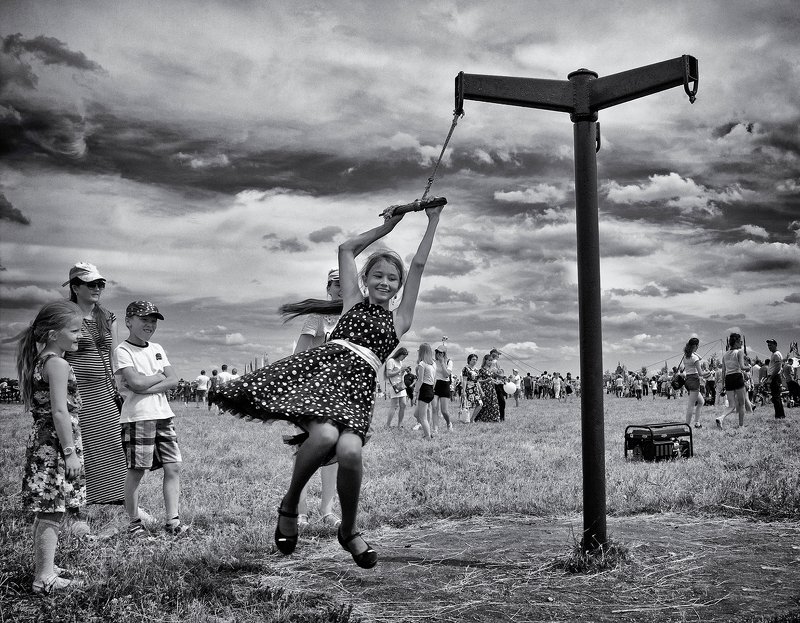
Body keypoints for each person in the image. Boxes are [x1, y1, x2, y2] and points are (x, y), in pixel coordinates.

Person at [211, 203, 444, 568]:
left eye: (391, 279)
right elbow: (346, 249)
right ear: (365, 280)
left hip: (357, 391)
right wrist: (388, 227)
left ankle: (348, 530)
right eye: (377, 275)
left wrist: (433, 221)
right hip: (324, 376)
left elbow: (418, 265)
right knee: (322, 437)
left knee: (350, 452)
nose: (384, 282)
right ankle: (290, 506)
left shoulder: (401, 319)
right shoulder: (351, 302)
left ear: (399, 287)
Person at [18, 301, 86, 594]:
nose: (80, 335)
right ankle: (43, 577)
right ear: (53, 333)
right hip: (56, 447)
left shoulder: (42, 360)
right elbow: (60, 411)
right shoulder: (57, 363)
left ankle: (46, 565)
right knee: (52, 509)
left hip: (45, 443)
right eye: (75, 330)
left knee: (48, 508)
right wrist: (70, 452)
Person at [114, 301, 186, 537]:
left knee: (173, 466)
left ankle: (173, 520)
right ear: (128, 321)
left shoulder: (157, 348)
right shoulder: (123, 351)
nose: (150, 325)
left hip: (163, 415)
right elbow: (135, 383)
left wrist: (146, 384)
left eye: (153, 321)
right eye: (144, 319)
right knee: (137, 470)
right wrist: (158, 376)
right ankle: (134, 522)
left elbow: (173, 379)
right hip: (138, 417)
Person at [62, 263, 127, 513]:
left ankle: (121, 500)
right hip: (77, 393)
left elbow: (114, 355)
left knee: (112, 444)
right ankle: (75, 507)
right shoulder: (64, 315)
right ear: (75, 287)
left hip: (105, 392)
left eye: (101, 284)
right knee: (81, 447)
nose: (98, 288)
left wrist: (120, 386)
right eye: (91, 284)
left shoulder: (107, 316)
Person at [291, 268, 343, 531]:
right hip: (312, 393)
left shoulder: (352, 315)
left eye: (346, 282)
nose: (341, 288)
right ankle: (300, 511)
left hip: (339, 393)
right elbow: (300, 354)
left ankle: (327, 510)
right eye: (336, 283)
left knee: (333, 453)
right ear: (328, 287)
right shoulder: (317, 316)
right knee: (306, 451)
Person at [717, 333, 750, 429]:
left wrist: (723, 384)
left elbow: (723, 371)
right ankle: (741, 425)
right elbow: (742, 367)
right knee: (742, 403)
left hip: (728, 378)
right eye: (740, 341)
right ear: (736, 342)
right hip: (737, 377)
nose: (741, 343)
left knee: (731, 405)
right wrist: (748, 367)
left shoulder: (725, 355)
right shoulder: (739, 352)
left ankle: (721, 417)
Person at [412, 343, 436, 438]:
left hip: (424, 389)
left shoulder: (422, 364)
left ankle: (427, 436)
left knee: (422, 417)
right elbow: (435, 379)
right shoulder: (433, 364)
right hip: (430, 389)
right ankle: (428, 431)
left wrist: (415, 392)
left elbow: (420, 380)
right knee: (416, 414)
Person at [681, 338, 704, 427]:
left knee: (701, 402)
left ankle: (697, 422)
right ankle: (687, 426)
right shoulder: (694, 357)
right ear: (695, 346)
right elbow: (701, 373)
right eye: (697, 346)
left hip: (688, 380)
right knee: (691, 405)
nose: (698, 347)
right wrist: (708, 373)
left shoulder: (686, 356)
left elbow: (700, 358)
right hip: (694, 379)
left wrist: (693, 351)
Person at [385, 346, 409, 428]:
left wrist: (402, 372)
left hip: (400, 385)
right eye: (403, 356)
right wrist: (399, 370)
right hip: (394, 385)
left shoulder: (400, 362)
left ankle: (400, 424)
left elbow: (399, 375)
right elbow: (388, 374)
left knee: (403, 404)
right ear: (399, 354)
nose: (404, 358)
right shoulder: (391, 361)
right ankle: (387, 425)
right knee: (394, 406)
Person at [473, 353, 500, 422]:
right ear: (485, 360)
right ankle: (482, 418)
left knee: (493, 403)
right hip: (484, 389)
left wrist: (496, 382)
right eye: (489, 360)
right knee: (485, 404)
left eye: (491, 360)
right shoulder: (481, 370)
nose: (490, 362)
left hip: (491, 388)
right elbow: (477, 381)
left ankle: (493, 418)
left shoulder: (491, 370)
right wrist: (486, 380)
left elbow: (491, 379)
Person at [432, 345, 453, 431]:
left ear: (444, 354)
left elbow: (446, 375)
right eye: (437, 352)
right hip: (435, 384)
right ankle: (435, 429)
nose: (439, 354)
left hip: (444, 384)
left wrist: (442, 363)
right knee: (434, 408)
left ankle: (448, 423)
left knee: (444, 411)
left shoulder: (449, 362)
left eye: (441, 353)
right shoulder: (433, 362)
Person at [765, 338, 786, 419]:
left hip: (775, 377)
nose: (769, 347)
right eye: (768, 345)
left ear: (775, 345)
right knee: (776, 396)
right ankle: (780, 415)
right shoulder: (774, 354)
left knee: (776, 397)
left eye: (771, 345)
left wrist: (771, 378)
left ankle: (779, 415)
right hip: (774, 377)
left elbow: (777, 367)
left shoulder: (776, 354)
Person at [460, 354, 482, 422]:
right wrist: (463, 390)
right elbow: (464, 380)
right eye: (473, 359)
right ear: (469, 360)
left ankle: (472, 418)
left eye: (476, 360)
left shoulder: (476, 370)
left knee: (480, 404)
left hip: (475, 388)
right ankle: (466, 419)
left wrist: (481, 391)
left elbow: (477, 381)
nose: (475, 361)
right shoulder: (465, 369)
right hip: (468, 388)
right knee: (468, 405)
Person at [489, 349, 506, 420]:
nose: (498, 356)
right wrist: (501, 376)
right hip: (495, 384)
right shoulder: (493, 362)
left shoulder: (495, 362)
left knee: (499, 401)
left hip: (498, 383)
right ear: (493, 354)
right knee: (501, 401)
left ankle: (500, 416)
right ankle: (500, 417)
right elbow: (493, 373)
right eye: (497, 354)